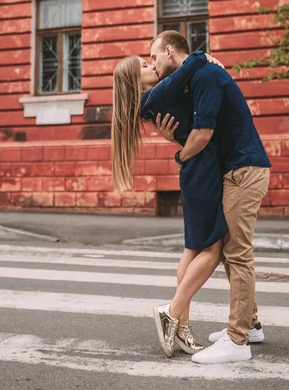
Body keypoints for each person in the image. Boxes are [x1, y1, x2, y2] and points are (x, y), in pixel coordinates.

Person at [151, 31, 271, 364]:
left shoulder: (203, 75)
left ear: (170, 51)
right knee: (233, 250)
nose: (152, 64)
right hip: (237, 169)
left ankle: (237, 340)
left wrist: (179, 156)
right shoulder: (198, 75)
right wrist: (179, 139)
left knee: (237, 253)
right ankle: (253, 324)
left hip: (243, 170)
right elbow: (201, 135)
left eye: (154, 57)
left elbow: (202, 135)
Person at [111, 47, 228, 359]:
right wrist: (204, 56)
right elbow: (191, 65)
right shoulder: (158, 93)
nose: (151, 65)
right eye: (144, 65)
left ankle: (182, 329)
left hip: (195, 172)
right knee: (213, 250)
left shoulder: (149, 101)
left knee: (192, 251)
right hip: (201, 172)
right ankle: (172, 313)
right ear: (135, 80)